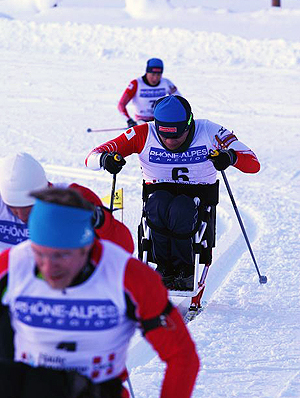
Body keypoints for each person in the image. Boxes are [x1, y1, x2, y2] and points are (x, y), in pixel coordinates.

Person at [0, 187, 199, 398]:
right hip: (22, 396)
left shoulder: (128, 277)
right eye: (39, 254)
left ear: (87, 245)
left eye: (62, 256)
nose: (49, 268)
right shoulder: (13, 265)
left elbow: (182, 357)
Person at [85, 95, 261, 290]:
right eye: (164, 135)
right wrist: (106, 159)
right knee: (158, 204)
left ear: (189, 125)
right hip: (158, 192)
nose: (170, 141)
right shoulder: (143, 132)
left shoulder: (209, 131)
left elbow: (253, 164)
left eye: (177, 136)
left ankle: (185, 270)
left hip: (198, 195)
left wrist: (230, 156)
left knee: (181, 208)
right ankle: (163, 269)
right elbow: (91, 157)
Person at [0, 152, 134, 254]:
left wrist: (100, 221)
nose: (22, 216)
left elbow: (124, 250)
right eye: (14, 209)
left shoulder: (72, 198)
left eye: (30, 208)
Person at [117, 58, 181, 128]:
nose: (155, 78)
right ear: (147, 72)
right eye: (153, 74)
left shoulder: (166, 83)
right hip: (141, 120)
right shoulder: (136, 84)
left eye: (159, 75)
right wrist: (129, 120)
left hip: (160, 119)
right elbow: (121, 104)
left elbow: (180, 101)